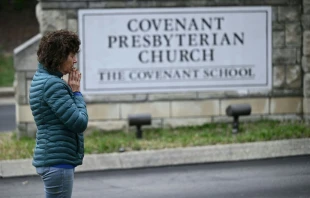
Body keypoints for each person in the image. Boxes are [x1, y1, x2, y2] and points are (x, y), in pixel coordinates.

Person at [29, 29, 88, 198]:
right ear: (59, 56)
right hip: (57, 163)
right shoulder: (53, 84)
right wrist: (76, 92)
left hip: (52, 158)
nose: (75, 60)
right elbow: (79, 122)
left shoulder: (42, 78)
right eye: (72, 55)